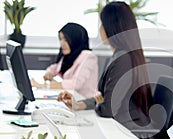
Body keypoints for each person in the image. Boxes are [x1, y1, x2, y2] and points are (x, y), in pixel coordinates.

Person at [57, 2, 153, 131]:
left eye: (102, 24)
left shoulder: (123, 59)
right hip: (120, 125)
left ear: (111, 27)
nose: (100, 29)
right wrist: (80, 104)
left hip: (127, 131)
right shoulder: (120, 55)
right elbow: (103, 97)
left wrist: (100, 103)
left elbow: (108, 109)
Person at [30, 22, 98, 98]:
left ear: (75, 40)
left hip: (84, 103)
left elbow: (75, 84)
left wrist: (43, 85)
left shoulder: (88, 56)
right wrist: (49, 73)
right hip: (71, 99)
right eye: (60, 39)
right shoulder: (69, 55)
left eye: (65, 39)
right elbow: (55, 67)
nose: (62, 43)